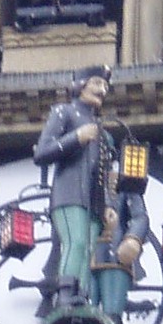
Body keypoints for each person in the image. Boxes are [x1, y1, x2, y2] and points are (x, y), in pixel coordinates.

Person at [33, 64, 113, 308]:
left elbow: (103, 172)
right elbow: (42, 152)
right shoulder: (64, 112)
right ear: (80, 85)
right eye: (97, 83)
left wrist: (109, 204)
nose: (103, 90)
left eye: (105, 85)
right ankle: (66, 294)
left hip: (93, 198)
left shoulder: (100, 130)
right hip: (68, 193)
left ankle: (81, 296)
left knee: (87, 248)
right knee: (75, 242)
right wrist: (76, 138)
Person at [90, 161, 149, 324]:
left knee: (112, 313)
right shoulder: (83, 181)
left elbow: (140, 216)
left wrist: (133, 239)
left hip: (115, 255)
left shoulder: (124, 182)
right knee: (85, 310)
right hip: (87, 254)